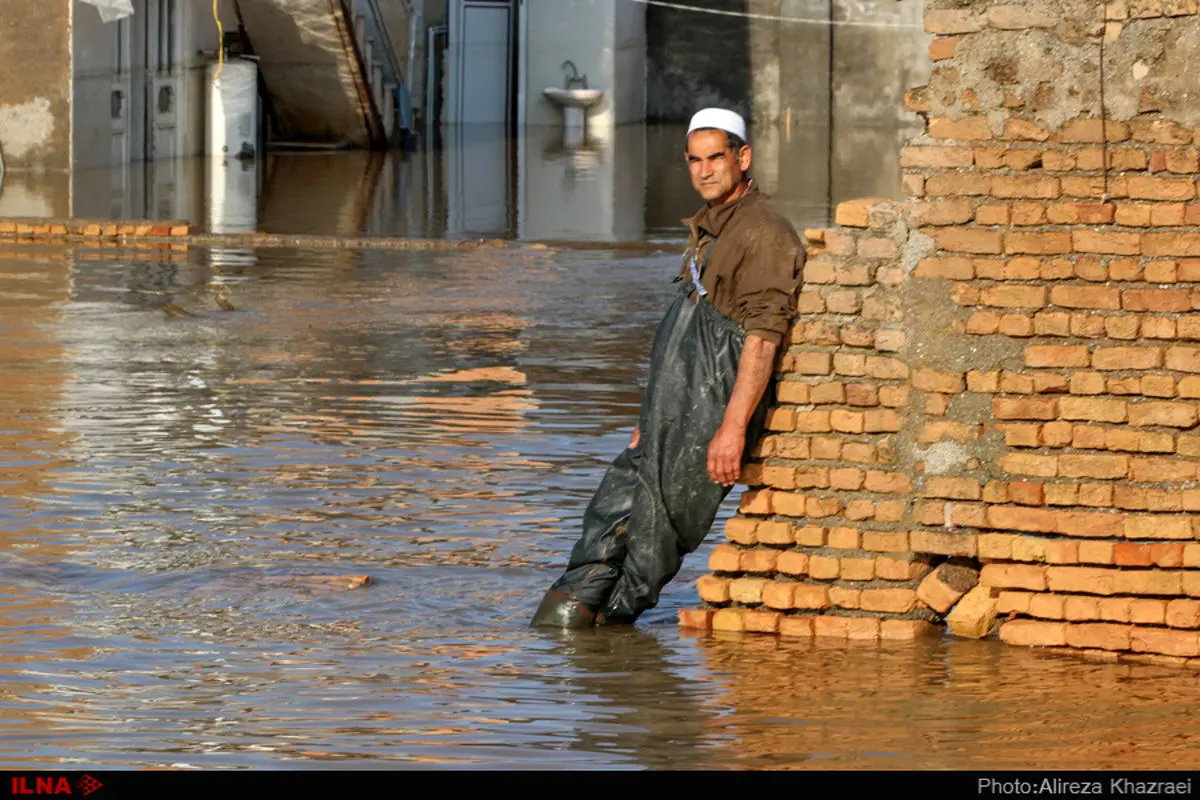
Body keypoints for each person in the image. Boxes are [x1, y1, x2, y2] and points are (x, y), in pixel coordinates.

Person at [531, 107, 806, 628]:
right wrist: (648, 414)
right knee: (608, 513)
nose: (704, 170)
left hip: (708, 419)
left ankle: (601, 643)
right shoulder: (710, 227)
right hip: (669, 412)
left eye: (716, 158)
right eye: (694, 160)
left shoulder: (765, 233)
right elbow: (682, 336)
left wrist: (731, 428)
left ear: (742, 158)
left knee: (654, 542)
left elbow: (763, 340)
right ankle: (565, 643)